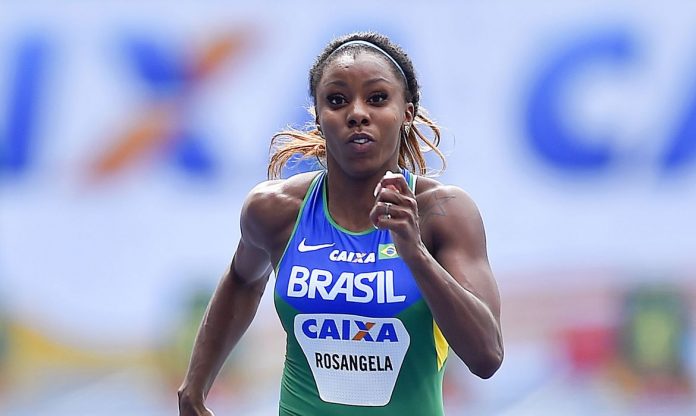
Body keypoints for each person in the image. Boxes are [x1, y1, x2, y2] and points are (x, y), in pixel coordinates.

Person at [178, 31, 503, 416]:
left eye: (378, 98)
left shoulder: (444, 213)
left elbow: (487, 357)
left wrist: (414, 252)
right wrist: (194, 387)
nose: (357, 113)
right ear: (318, 117)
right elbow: (243, 279)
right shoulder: (275, 209)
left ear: (407, 113)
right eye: (337, 100)